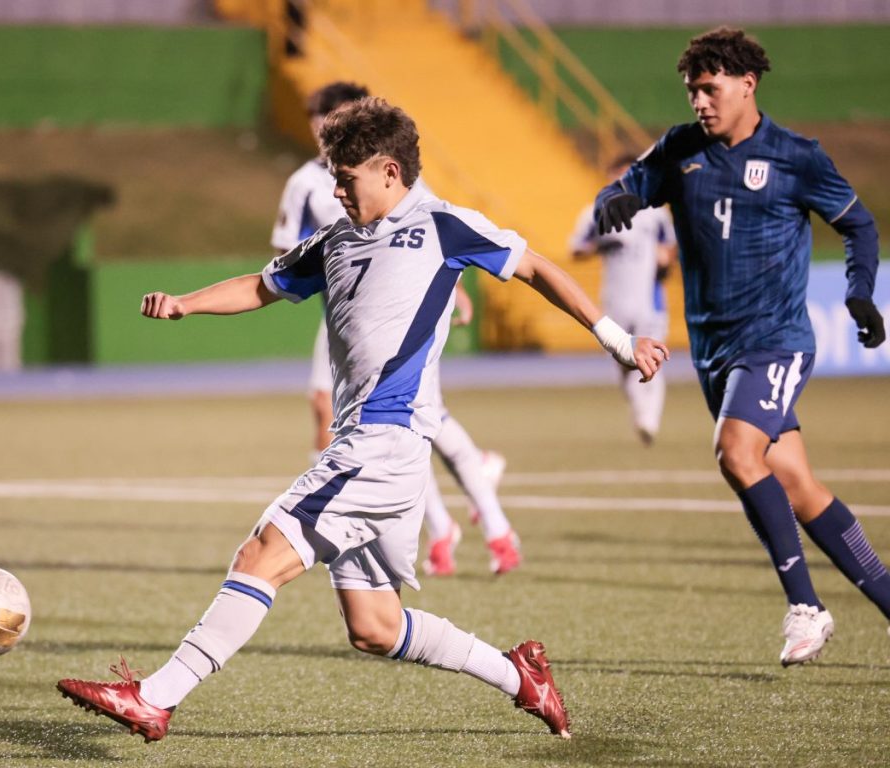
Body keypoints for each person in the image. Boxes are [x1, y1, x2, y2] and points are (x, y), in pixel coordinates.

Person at [57, 96, 669, 743]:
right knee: (375, 627)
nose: (337, 191)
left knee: (262, 551)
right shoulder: (334, 240)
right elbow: (261, 286)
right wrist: (185, 304)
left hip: (386, 442)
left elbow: (538, 267)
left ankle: (155, 698)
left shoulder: (443, 226)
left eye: (345, 179)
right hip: (371, 446)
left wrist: (616, 340)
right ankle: (522, 678)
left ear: (387, 171)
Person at [595, 27, 889, 667]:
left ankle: (806, 608)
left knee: (734, 451)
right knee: (797, 483)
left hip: (776, 340)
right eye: (693, 90)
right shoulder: (681, 150)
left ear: (747, 85)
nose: (700, 101)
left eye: (711, 88)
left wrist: (861, 294)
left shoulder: (795, 156)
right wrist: (616, 196)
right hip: (714, 351)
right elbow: (625, 183)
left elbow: (859, 226)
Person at [272, 81, 519, 576]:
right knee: (349, 414)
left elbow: (435, 231)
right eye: (325, 121)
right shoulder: (307, 182)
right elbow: (286, 247)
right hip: (343, 319)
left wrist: (457, 289)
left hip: (400, 317)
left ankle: (492, 524)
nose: (331, 130)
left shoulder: (385, 169)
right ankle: (439, 521)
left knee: (414, 412)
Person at [570, 154, 677, 445]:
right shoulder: (595, 211)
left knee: (653, 357)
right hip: (615, 297)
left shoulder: (655, 213)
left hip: (649, 298)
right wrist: (600, 245)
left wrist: (665, 259)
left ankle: (648, 418)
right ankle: (640, 411)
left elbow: (670, 247)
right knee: (622, 360)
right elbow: (575, 249)